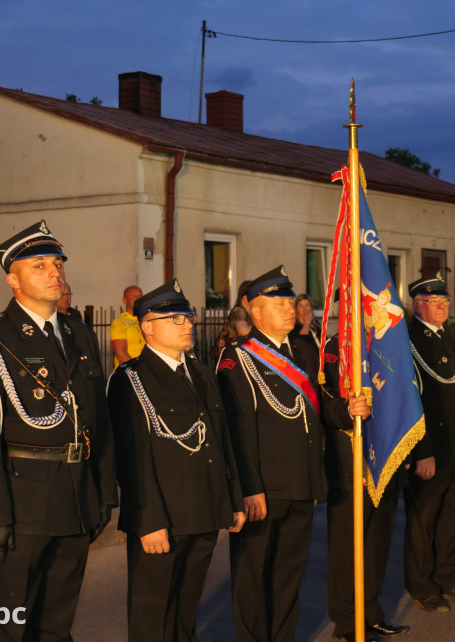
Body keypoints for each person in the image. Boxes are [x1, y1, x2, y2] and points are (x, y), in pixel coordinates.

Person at [0, 220, 117, 641]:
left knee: (57, 624)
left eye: (57, 263)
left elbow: (98, 422)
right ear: (13, 279)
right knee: (12, 629)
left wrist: (102, 494)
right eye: (38, 265)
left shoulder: (78, 334)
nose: (54, 272)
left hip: (76, 498)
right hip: (21, 505)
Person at [108, 279, 246, 642]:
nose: (187, 325)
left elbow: (221, 441)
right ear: (147, 327)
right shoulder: (130, 379)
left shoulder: (201, 372)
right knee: (152, 612)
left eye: (188, 317)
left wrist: (232, 499)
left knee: (186, 610)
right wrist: (148, 519)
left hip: (204, 509)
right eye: (175, 319)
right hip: (162, 517)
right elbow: (130, 457)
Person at [217, 266, 326, 642]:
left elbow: (320, 411)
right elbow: (238, 429)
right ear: (257, 313)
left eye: (289, 300)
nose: (289, 307)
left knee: (288, 576)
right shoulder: (238, 358)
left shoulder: (302, 352)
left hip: (300, 482)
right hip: (262, 488)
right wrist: (248, 487)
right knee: (253, 576)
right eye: (277, 302)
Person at [404, 273, 455, 614]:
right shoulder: (408, 340)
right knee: (424, 521)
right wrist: (422, 452)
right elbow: (411, 399)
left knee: (454, 517)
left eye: (445, 302)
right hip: (433, 447)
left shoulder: (452, 337)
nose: (441, 307)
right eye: (434, 302)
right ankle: (422, 586)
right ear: (417, 304)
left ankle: (448, 577)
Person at [320, 321, 401, 640]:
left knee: (377, 540)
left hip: (385, 455)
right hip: (349, 459)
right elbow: (324, 403)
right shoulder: (333, 348)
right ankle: (346, 621)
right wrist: (347, 409)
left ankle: (370, 611)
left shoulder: (387, 345)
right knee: (345, 546)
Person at [111, 285, 145, 369]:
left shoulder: (147, 319)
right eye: (134, 296)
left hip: (147, 369)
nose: (138, 298)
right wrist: (136, 370)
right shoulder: (119, 322)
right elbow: (121, 353)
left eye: (140, 296)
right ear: (125, 300)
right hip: (128, 371)